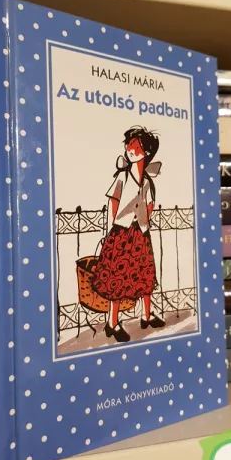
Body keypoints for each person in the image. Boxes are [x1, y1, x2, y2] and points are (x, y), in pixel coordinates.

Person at [91, 125, 166, 343]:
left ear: (146, 152)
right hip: (122, 232)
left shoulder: (148, 181)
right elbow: (113, 202)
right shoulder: (123, 177)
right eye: (129, 146)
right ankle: (112, 322)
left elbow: (150, 203)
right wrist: (111, 227)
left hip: (140, 232)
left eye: (136, 147)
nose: (131, 150)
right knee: (117, 277)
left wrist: (143, 220)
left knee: (145, 273)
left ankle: (146, 315)